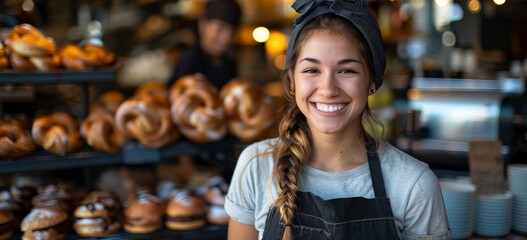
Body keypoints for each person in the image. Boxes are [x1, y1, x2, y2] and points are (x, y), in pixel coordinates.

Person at [224, 0, 451, 239]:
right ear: (292, 80)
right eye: (312, 70)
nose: (328, 89)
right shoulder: (256, 167)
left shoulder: (413, 185)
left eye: (347, 70)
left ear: (371, 81)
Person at [167, 0, 242, 90]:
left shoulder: (229, 65)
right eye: (220, 29)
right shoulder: (190, 60)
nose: (226, 38)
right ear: (203, 24)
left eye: (232, 32)